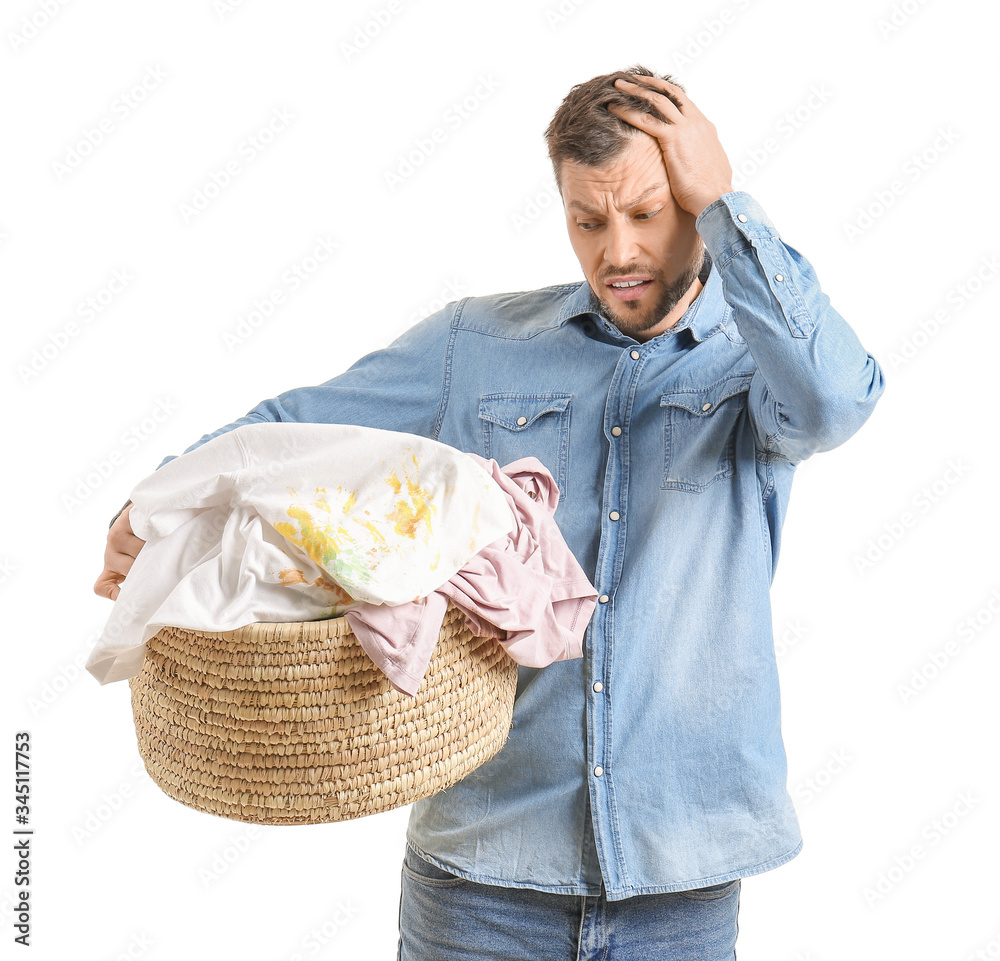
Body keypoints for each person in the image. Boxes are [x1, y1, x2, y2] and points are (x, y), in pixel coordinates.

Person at [95, 66, 885, 960]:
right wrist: (155, 503)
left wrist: (731, 206)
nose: (617, 250)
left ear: (694, 206)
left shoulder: (758, 361)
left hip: (682, 888)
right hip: (480, 885)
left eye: (648, 212)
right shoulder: (476, 346)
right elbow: (294, 429)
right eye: (588, 220)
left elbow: (836, 403)